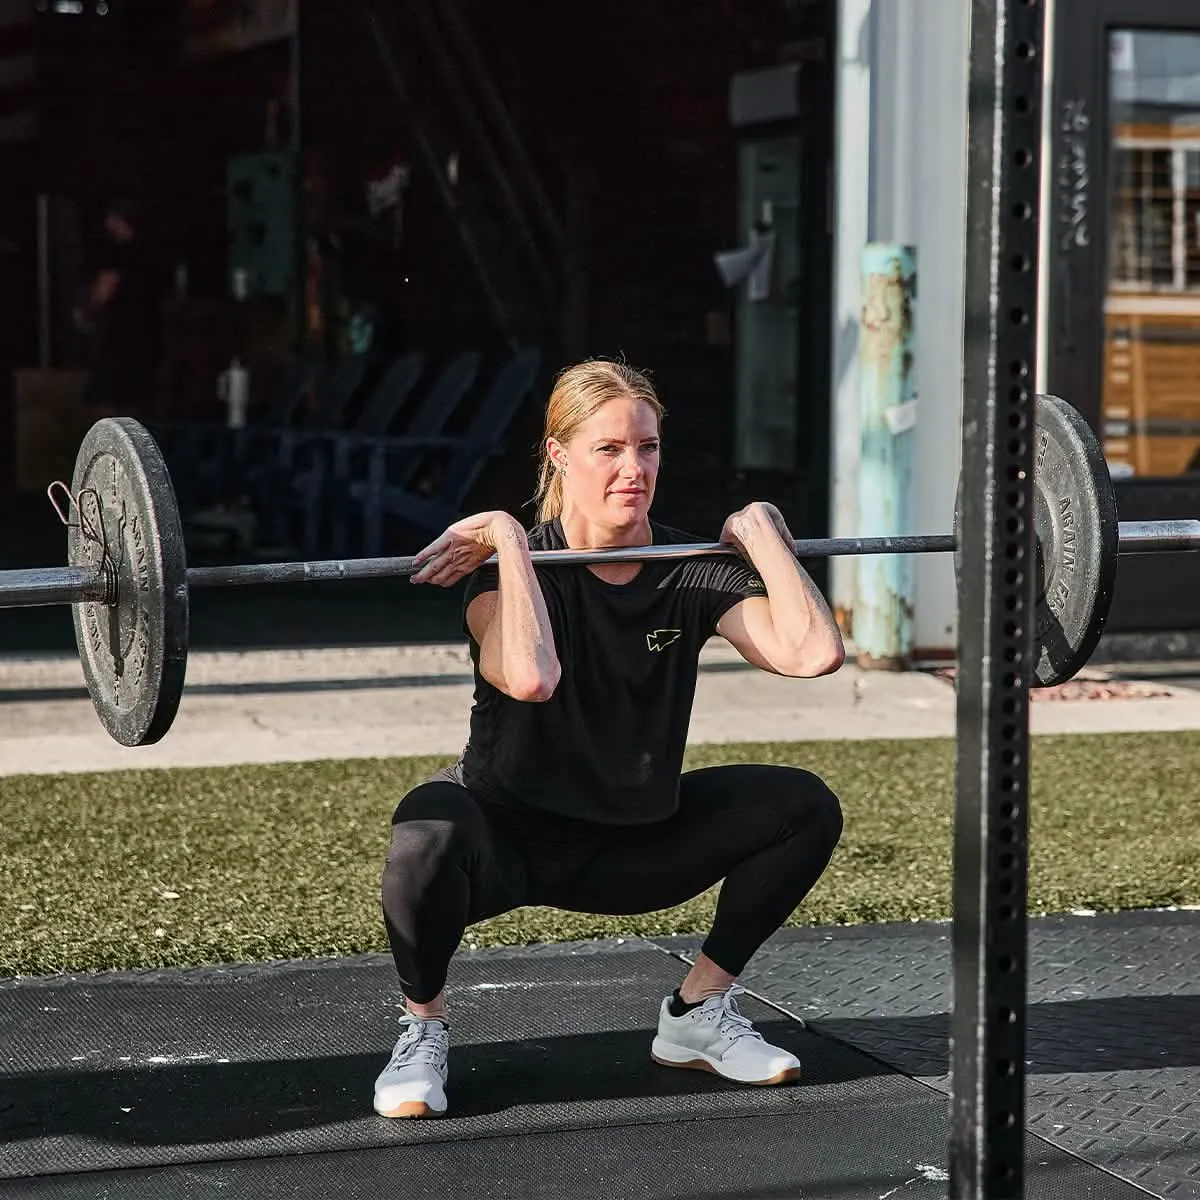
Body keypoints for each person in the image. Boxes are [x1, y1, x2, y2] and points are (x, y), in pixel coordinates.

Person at [374, 359, 846, 1119]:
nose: (635, 469)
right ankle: (423, 1028)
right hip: (505, 841)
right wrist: (507, 536)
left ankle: (695, 1017)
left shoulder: (687, 567)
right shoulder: (505, 576)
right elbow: (530, 677)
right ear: (558, 455)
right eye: (610, 449)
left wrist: (760, 535)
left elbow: (810, 653)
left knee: (802, 805)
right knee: (423, 834)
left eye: (649, 448)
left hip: (634, 844)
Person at [74, 198, 163, 414]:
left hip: (120, 339)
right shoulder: (151, 253)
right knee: (137, 407)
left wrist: (86, 312)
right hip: (149, 337)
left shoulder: (118, 253)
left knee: (105, 405)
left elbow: (105, 289)